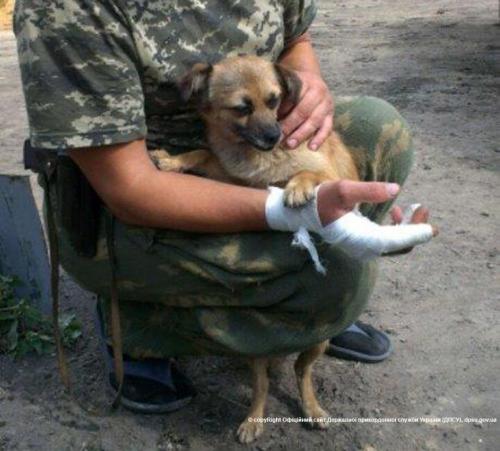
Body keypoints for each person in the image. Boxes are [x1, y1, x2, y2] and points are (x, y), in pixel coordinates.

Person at [14, 0, 432, 413]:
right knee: (341, 279)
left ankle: (311, 307)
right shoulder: (70, 8)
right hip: (149, 195)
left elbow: (295, 36)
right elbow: (132, 191)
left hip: (241, 155)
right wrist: (290, 213)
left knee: (381, 128)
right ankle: (141, 328)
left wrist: (305, 83)